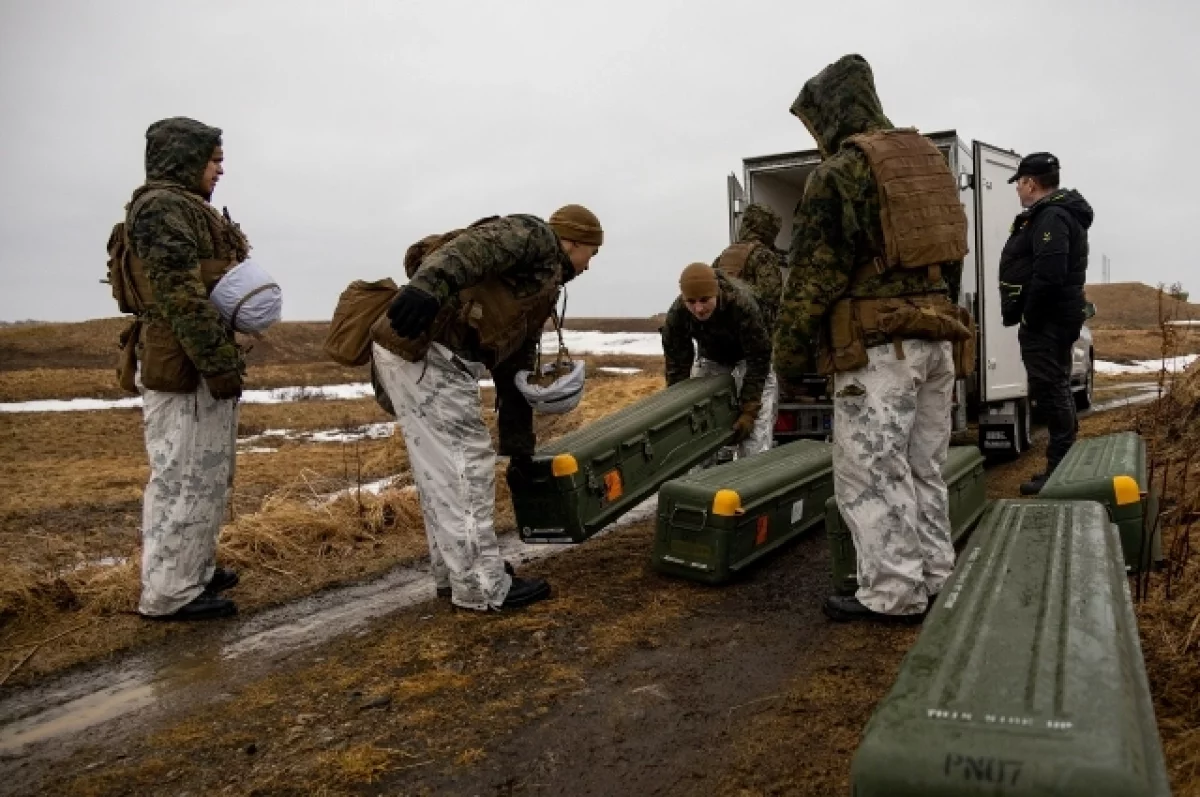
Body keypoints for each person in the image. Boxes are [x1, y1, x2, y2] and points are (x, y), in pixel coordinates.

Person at [774, 55, 970, 623]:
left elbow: (813, 278)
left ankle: (892, 594)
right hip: (937, 339)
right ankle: (935, 577)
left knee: (872, 474)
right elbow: (952, 256)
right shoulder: (925, 161)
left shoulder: (841, 173)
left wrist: (789, 357)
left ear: (829, 113)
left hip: (881, 351)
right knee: (924, 468)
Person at [370, 206, 603, 611]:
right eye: (592, 254)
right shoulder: (535, 236)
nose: (589, 266)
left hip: (417, 355)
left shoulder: (538, 286)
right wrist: (428, 286)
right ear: (574, 241)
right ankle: (482, 585)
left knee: (440, 472)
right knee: (466, 468)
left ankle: (456, 574)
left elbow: (513, 371)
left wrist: (520, 449)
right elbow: (474, 247)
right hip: (430, 355)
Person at [121, 117, 249, 621]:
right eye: (212, 159)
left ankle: (191, 567)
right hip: (183, 364)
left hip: (192, 359)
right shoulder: (161, 209)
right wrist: (219, 366)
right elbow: (180, 294)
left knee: (208, 471)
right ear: (184, 160)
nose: (220, 169)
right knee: (184, 473)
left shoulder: (187, 208)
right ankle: (171, 592)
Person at [998, 153, 1094, 495]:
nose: (1018, 192)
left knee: (1052, 392)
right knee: (1056, 388)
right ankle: (1062, 466)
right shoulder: (1054, 213)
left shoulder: (1051, 215)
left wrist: (1029, 316)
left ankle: (1059, 473)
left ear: (1030, 182)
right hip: (1055, 318)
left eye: (1019, 184)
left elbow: (1050, 275)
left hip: (1047, 321)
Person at [661, 263, 776, 457]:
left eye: (705, 300)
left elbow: (758, 359)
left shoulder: (742, 305)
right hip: (712, 359)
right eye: (691, 301)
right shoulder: (678, 315)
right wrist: (679, 411)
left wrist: (749, 410)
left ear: (716, 293)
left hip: (749, 360)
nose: (698, 309)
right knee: (701, 431)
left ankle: (750, 478)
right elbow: (677, 367)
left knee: (754, 436)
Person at [713, 203, 785, 330]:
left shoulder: (725, 254)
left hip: (725, 329)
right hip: (753, 331)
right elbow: (772, 298)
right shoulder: (764, 256)